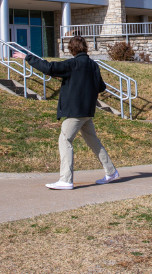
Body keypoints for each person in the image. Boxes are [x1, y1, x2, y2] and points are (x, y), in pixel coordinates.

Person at [13, 36, 117, 190]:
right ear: (85, 48)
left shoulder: (73, 63)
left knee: (65, 140)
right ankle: (111, 172)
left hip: (76, 111)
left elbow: (49, 67)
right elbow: (101, 87)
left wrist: (27, 57)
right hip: (88, 111)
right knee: (93, 142)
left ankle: (66, 180)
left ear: (72, 49)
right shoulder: (93, 65)